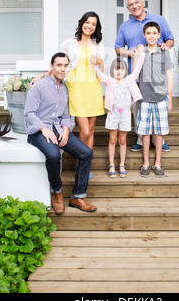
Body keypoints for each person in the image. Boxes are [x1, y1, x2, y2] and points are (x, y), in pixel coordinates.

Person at [31, 12, 105, 179]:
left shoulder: (97, 45)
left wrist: (101, 64)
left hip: (93, 88)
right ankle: (82, 160)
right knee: (84, 131)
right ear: (82, 23)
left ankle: (84, 167)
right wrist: (43, 75)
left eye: (93, 24)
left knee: (91, 130)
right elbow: (60, 63)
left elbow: (101, 72)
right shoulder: (69, 43)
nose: (89, 26)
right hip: (76, 88)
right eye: (87, 22)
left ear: (96, 28)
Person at [24, 52, 97, 215]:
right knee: (54, 155)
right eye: (59, 65)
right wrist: (44, 129)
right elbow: (29, 113)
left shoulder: (64, 88)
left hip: (58, 129)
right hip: (38, 132)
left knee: (86, 153)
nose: (63, 69)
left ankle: (77, 197)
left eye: (65, 65)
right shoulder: (39, 86)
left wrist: (65, 129)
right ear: (51, 66)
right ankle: (56, 191)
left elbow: (65, 115)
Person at [114, 0, 174, 152]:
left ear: (143, 2)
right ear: (128, 8)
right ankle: (141, 139)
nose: (134, 6)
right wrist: (131, 52)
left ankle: (158, 140)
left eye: (136, 2)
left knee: (158, 105)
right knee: (138, 108)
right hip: (136, 75)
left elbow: (170, 39)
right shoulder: (125, 26)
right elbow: (118, 48)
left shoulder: (159, 20)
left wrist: (166, 46)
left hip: (157, 75)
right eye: (131, 5)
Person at [92, 49, 144, 178]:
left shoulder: (129, 80)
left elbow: (137, 70)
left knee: (122, 140)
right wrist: (95, 63)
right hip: (113, 114)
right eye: (116, 69)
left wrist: (140, 55)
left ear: (125, 71)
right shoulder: (110, 81)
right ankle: (111, 164)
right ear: (112, 71)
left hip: (125, 114)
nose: (119, 72)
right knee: (112, 139)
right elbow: (98, 73)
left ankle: (121, 164)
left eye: (121, 69)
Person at [134, 22, 173, 178]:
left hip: (161, 97)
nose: (151, 36)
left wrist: (169, 99)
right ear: (144, 35)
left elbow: (169, 76)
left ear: (159, 35)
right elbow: (135, 74)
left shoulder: (164, 52)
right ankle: (146, 163)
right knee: (144, 132)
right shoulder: (141, 52)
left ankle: (158, 163)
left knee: (159, 131)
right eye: (148, 33)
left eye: (154, 33)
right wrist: (137, 53)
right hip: (144, 97)